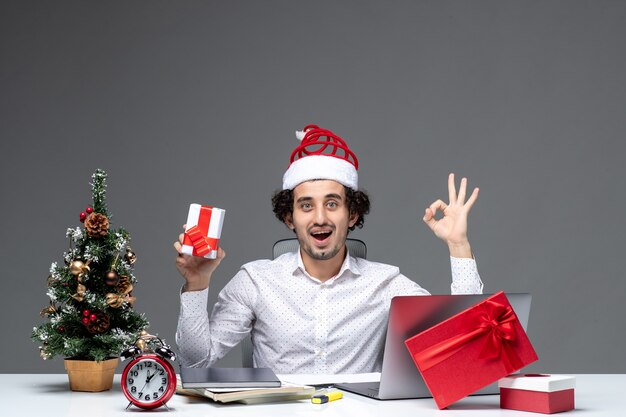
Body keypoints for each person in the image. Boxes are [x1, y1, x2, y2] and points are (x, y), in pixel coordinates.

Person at [174, 125, 483, 374]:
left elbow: (463, 348)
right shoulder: (255, 281)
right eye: (306, 206)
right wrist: (197, 284)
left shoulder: (386, 284)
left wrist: (458, 245)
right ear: (289, 218)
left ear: (352, 215)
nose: (320, 218)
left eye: (332, 204)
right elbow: (195, 363)